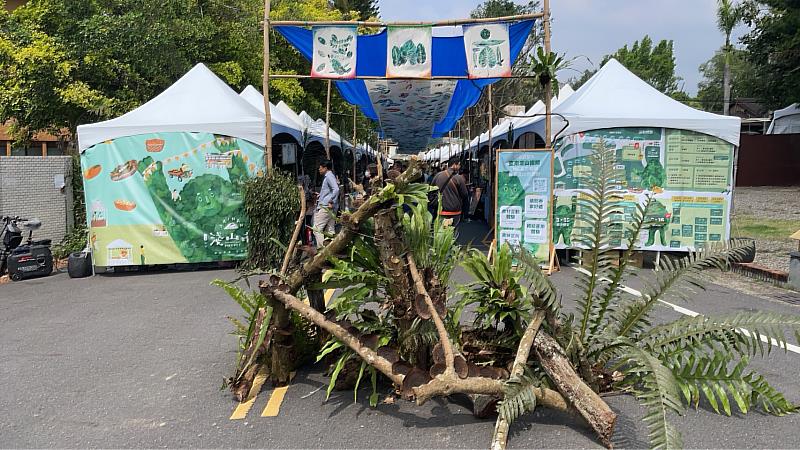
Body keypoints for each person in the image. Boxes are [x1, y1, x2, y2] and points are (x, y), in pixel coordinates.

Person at [432, 158, 469, 227]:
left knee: (439, 232)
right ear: (454, 165)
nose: (459, 167)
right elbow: (465, 194)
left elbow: (431, 191)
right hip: (454, 211)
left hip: (440, 209)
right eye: (459, 165)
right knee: (452, 233)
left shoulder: (438, 176)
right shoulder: (458, 178)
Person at [313, 159, 339, 248]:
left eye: (320, 168)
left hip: (326, 207)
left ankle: (321, 250)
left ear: (325, 168)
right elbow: (331, 190)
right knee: (330, 230)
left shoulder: (329, 176)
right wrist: (321, 195)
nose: (319, 170)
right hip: (329, 206)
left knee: (317, 229)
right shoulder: (330, 176)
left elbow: (336, 189)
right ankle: (333, 249)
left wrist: (331, 200)